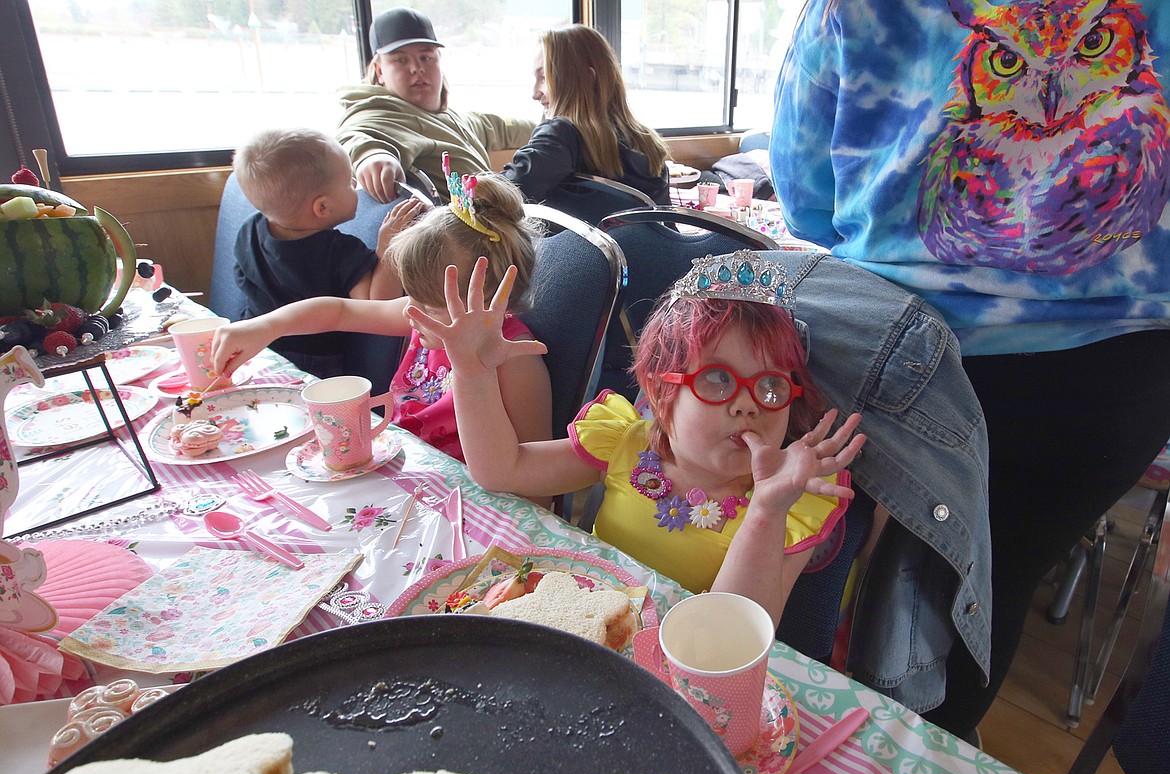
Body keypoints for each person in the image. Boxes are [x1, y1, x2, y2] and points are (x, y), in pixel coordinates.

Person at [771, 0, 1170, 740]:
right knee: (989, 588)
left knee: (811, 559)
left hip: (893, 341)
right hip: (1108, 374)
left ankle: (800, 770)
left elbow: (806, 198)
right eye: (1013, 61)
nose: (1051, 87)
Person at [406, 251, 865, 626]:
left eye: (770, 387)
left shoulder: (792, 501)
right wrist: (472, 375)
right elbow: (499, 469)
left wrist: (766, 506)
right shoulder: (627, 443)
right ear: (662, 392)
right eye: (718, 379)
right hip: (590, 628)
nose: (748, 405)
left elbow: (737, 627)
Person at [212, 168, 551, 462]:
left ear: (497, 302)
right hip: (411, 475)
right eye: (412, 298)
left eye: (430, 307)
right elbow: (339, 311)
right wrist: (264, 327)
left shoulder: (515, 362)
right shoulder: (423, 316)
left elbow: (533, 477)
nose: (413, 315)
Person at [231, 127, 400, 378]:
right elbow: (376, 305)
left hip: (255, 347)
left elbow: (243, 279)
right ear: (322, 207)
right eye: (349, 183)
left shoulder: (249, 230)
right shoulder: (339, 250)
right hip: (314, 365)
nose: (356, 186)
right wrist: (389, 245)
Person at [337, 7, 537, 203]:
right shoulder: (380, 114)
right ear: (379, 71)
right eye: (401, 60)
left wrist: (556, 124)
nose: (417, 68)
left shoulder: (456, 119)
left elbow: (501, 126)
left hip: (494, 220)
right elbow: (354, 135)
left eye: (425, 57)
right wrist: (371, 157)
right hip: (456, 232)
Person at [501, 25, 670, 204]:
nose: (535, 94)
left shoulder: (561, 135)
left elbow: (502, 196)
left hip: (578, 234)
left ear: (587, 79)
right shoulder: (648, 143)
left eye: (544, 78)